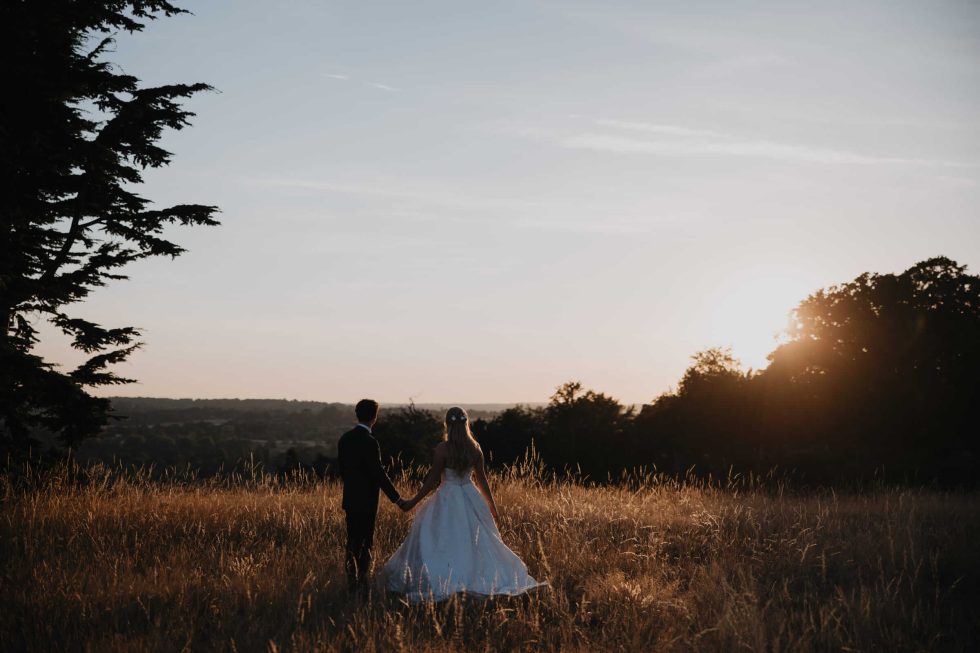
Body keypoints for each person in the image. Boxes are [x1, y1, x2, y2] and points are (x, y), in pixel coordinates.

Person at [378, 406, 546, 601]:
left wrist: (413, 502)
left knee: (441, 539)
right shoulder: (475, 448)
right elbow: (482, 480)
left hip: (447, 496)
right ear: (466, 424)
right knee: (476, 541)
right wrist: (491, 506)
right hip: (470, 495)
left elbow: (433, 480)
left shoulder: (442, 449)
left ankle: (446, 576)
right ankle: (473, 576)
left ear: (447, 425)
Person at [337, 399, 409, 592]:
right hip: (367, 501)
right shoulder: (370, 442)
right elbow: (378, 474)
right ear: (374, 417)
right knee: (366, 542)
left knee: (352, 541)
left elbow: (343, 469)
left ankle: (352, 581)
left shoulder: (345, 439)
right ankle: (362, 582)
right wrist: (397, 499)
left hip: (350, 499)